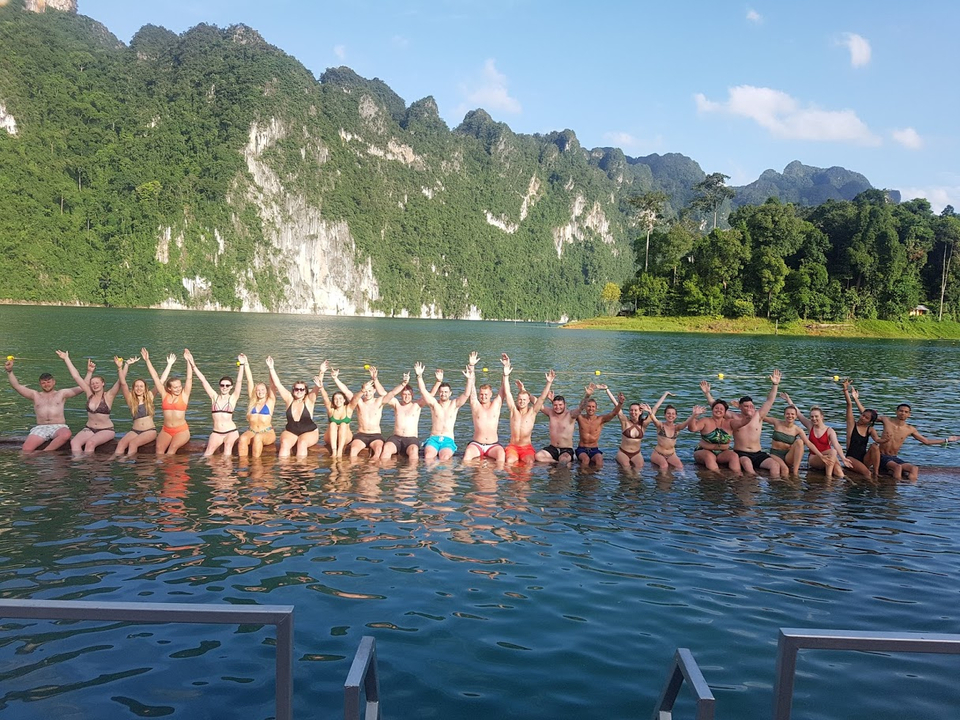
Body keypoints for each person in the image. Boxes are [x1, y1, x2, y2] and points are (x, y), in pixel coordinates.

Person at [5, 355, 86, 452]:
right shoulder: (35, 395)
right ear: (40, 384)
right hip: (41, 427)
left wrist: (89, 372)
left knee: (66, 434)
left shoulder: (62, 393)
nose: (46, 384)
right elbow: (17, 386)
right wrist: (9, 371)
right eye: (43, 383)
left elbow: (82, 387)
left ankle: (44, 453)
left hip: (58, 426)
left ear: (54, 382)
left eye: (48, 382)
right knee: (26, 449)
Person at [867, 403, 959, 481]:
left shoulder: (910, 429)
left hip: (894, 457)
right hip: (881, 456)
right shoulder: (886, 420)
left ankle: (911, 488)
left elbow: (926, 441)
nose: (903, 413)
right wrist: (856, 399)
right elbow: (867, 416)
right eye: (901, 411)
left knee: (914, 468)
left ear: (909, 415)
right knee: (898, 467)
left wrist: (947, 440)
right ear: (896, 412)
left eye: (906, 412)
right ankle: (893, 488)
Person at [56, 350, 121, 455]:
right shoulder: (89, 394)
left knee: (90, 443)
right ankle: (80, 463)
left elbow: (120, 382)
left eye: (97, 383)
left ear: (103, 383)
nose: (95, 385)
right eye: (92, 383)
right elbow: (76, 377)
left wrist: (120, 367)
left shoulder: (109, 396)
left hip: (106, 430)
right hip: (89, 428)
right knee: (74, 442)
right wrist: (66, 359)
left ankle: (90, 467)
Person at [418, 352, 477, 461]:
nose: (443, 394)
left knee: (444, 458)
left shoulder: (454, 404)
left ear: (450, 393)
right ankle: (434, 475)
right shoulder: (434, 404)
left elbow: (466, 394)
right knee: (428, 457)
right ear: (439, 393)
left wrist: (469, 379)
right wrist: (419, 376)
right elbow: (423, 391)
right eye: (441, 392)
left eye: (446, 392)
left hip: (448, 440)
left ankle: (442, 475)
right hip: (433, 439)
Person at [725, 369, 784, 477]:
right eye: (746, 406)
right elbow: (718, 409)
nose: (749, 408)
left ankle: (775, 488)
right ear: (739, 406)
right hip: (741, 453)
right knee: (747, 465)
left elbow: (769, 401)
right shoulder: (734, 417)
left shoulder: (758, 415)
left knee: (775, 466)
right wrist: (707, 394)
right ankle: (754, 483)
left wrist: (775, 384)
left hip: (758, 453)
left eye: (751, 406)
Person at [186, 350, 245, 456]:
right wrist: (192, 364)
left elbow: (239, 381)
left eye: (227, 385)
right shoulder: (214, 397)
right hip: (217, 432)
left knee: (227, 450)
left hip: (231, 431)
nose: (224, 387)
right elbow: (203, 380)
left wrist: (241, 365)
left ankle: (227, 472)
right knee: (207, 454)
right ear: (219, 386)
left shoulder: (233, 398)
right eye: (222, 385)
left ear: (231, 387)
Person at [340, 366, 405, 459]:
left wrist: (403, 384)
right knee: (353, 451)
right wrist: (335, 378)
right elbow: (346, 391)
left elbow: (392, 393)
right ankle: (360, 471)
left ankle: (372, 470)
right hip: (361, 434)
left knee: (378, 451)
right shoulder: (359, 402)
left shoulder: (379, 401)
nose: (367, 393)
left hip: (376, 435)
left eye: (370, 391)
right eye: (365, 391)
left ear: (374, 391)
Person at [380, 367, 440, 463]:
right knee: (386, 450)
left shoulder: (417, 405)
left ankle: (411, 475)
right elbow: (384, 394)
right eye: (404, 394)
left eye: (409, 394)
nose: (406, 397)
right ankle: (386, 473)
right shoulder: (396, 404)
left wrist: (438, 382)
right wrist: (375, 379)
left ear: (412, 395)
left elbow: (430, 395)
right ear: (401, 395)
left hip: (411, 439)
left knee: (413, 453)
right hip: (396, 438)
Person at [502, 359, 554, 465]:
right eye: (520, 400)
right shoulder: (513, 410)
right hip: (513, 447)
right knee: (510, 461)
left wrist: (549, 382)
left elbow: (542, 398)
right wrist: (506, 375)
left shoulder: (532, 412)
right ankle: (514, 481)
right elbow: (507, 393)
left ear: (528, 401)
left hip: (526, 447)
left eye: (524, 400)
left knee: (530, 462)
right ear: (517, 400)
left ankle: (523, 481)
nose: (522, 402)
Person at [142, 347, 193, 455]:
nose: (179, 388)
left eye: (179, 386)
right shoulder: (164, 395)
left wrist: (188, 360)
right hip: (166, 430)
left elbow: (189, 378)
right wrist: (147, 360)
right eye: (175, 387)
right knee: (159, 450)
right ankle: (164, 471)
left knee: (172, 449)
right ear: (169, 388)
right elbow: (155, 377)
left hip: (182, 430)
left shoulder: (184, 395)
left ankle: (173, 471)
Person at [267, 356, 319, 458]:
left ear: (305, 391)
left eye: (302, 389)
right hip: (291, 431)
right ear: (293, 390)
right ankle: (284, 472)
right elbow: (278, 384)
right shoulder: (289, 399)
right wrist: (271, 367)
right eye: (296, 389)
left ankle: (301, 470)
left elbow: (318, 387)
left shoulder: (309, 400)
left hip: (309, 431)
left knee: (302, 443)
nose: (299, 391)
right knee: (285, 443)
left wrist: (321, 372)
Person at [463, 354, 511, 463]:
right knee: (467, 456)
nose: (483, 396)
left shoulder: (496, 404)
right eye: (481, 394)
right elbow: (472, 386)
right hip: (476, 444)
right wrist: (471, 366)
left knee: (501, 456)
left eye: (486, 394)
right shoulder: (476, 405)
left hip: (493, 445)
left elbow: (503, 389)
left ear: (490, 394)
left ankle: (497, 475)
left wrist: (505, 371)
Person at [608, 389, 668, 470]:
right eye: (631, 410)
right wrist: (607, 390)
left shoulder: (643, 424)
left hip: (636, 454)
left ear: (640, 412)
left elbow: (655, 408)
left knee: (639, 469)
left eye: (635, 410)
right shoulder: (625, 421)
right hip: (623, 453)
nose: (633, 412)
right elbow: (616, 406)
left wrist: (665, 394)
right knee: (626, 468)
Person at [762, 399, 824, 475]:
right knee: (785, 470)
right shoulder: (777, 422)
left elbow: (808, 443)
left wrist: (821, 456)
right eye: (787, 414)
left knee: (800, 442)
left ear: (795, 416)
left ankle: (795, 472)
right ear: (784, 415)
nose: (790, 416)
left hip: (788, 456)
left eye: (792, 414)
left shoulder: (797, 430)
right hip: (775, 454)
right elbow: (761, 417)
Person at [113, 355, 157, 458]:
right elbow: (123, 383)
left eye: (141, 386)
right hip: (135, 431)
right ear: (133, 388)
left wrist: (147, 360)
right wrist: (122, 366)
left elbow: (160, 381)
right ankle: (113, 463)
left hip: (149, 430)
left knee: (133, 444)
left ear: (145, 388)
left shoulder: (149, 397)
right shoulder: (131, 400)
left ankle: (127, 465)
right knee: (121, 444)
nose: (139, 388)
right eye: (136, 386)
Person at [689, 384, 740, 473]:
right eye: (716, 408)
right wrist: (694, 416)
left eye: (721, 409)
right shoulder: (705, 421)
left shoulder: (729, 422)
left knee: (734, 456)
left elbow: (744, 421)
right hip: (704, 451)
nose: (718, 410)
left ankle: (738, 477)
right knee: (709, 457)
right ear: (712, 410)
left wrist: (741, 408)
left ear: (725, 412)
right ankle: (719, 476)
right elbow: (692, 429)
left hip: (722, 452)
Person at [575, 383, 625, 468]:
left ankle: (595, 478)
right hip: (582, 449)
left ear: (596, 408)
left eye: (593, 407)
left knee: (599, 459)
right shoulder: (580, 418)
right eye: (589, 406)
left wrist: (620, 403)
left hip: (594, 449)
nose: (591, 409)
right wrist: (587, 395)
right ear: (586, 407)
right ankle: (583, 478)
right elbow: (579, 408)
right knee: (585, 460)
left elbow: (613, 413)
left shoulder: (600, 419)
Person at [841, 380, 881, 478]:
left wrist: (886, 440)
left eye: (866, 417)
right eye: (862, 415)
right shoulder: (852, 425)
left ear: (870, 421)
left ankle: (876, 473)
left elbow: (877, 440)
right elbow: (849, 405)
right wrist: (845, 389)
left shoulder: (870, 429)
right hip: (851, 458)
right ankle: (874, 485)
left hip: (864, 459)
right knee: (867, 474)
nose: (862, 418)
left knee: (875, 447)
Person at [238, 358, 276, 459]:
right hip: (252, 431)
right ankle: (243, 465)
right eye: (258, 390)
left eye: (263, 389)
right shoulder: (252, 402)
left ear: (267, 391)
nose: (260, 392)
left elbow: (273, 385)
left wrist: (270, 368)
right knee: (242, 438)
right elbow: (250, 380)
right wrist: (246, 363)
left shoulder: (270, 401)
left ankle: (256, 465)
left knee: (258, 438)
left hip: (267, 432)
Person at [644, 401, 696, 471]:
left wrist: (694, 415)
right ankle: (662, 481)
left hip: (671, 454)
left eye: (673, 414)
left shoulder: (676, 428)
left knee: (680, 467)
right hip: (658, 454)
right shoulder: (660, 426)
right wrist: (650, 412)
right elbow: (655, 420)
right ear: (665, 415)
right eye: (668, 413)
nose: (670, 415)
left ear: (675, 416)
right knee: (664, 466)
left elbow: (685, 423)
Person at [805, 405, 853, 478]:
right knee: (833, 451)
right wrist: (789, 400)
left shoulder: (830, 430)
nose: (814, 418)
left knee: (839, 472)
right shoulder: (810, 426)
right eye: (812, 417)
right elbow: (798, 414)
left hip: (828, 457)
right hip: (814, 457)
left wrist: (843, 458)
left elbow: (836, 444)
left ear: (822, 416)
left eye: (816, 416)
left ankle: (849, 483)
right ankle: (828, 477)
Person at [317, 361, 353, 457]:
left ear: (344, 400)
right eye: (336, 399)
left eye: (340, 398)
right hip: (330, 438)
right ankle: (334, 451)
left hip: (346, 438)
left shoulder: (348, 408)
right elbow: (323, 393)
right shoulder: (331, 409)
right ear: (333, 401)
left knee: (343, 424)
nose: (338, 401)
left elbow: (350, 394)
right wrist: (321, 372)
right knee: (332, 424)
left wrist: (335, 378)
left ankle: (340, 451)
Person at [534, 391, 580, 465]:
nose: (558, 407)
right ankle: (555, 463)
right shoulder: (551, 413)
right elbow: (537, 403)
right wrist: (523, 390)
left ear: (565, 405)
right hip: (553, 448)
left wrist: (587, 395)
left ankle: (564, 461)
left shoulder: (570, 415)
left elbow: (581, 408)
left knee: (563, 461)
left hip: (566, 449)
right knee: (538, 456)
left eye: (560, 405)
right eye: (555, 405)